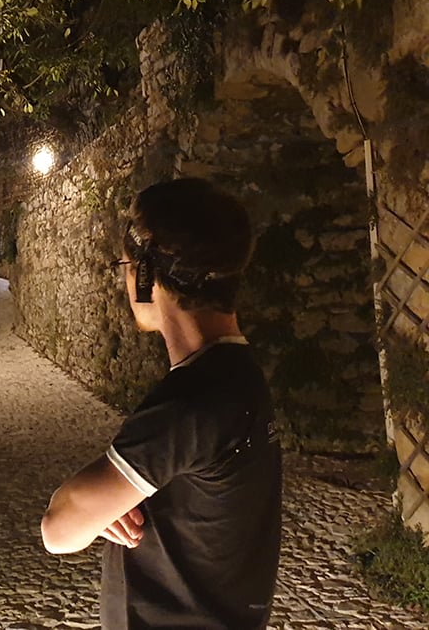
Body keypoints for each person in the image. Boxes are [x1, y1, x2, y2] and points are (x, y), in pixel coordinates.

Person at [40, 178, 282, 629]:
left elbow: (59, 530)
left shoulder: (189, 405)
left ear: (145, 276)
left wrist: (88, 507)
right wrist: (110, 503)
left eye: (126, 266)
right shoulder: (238, 377)